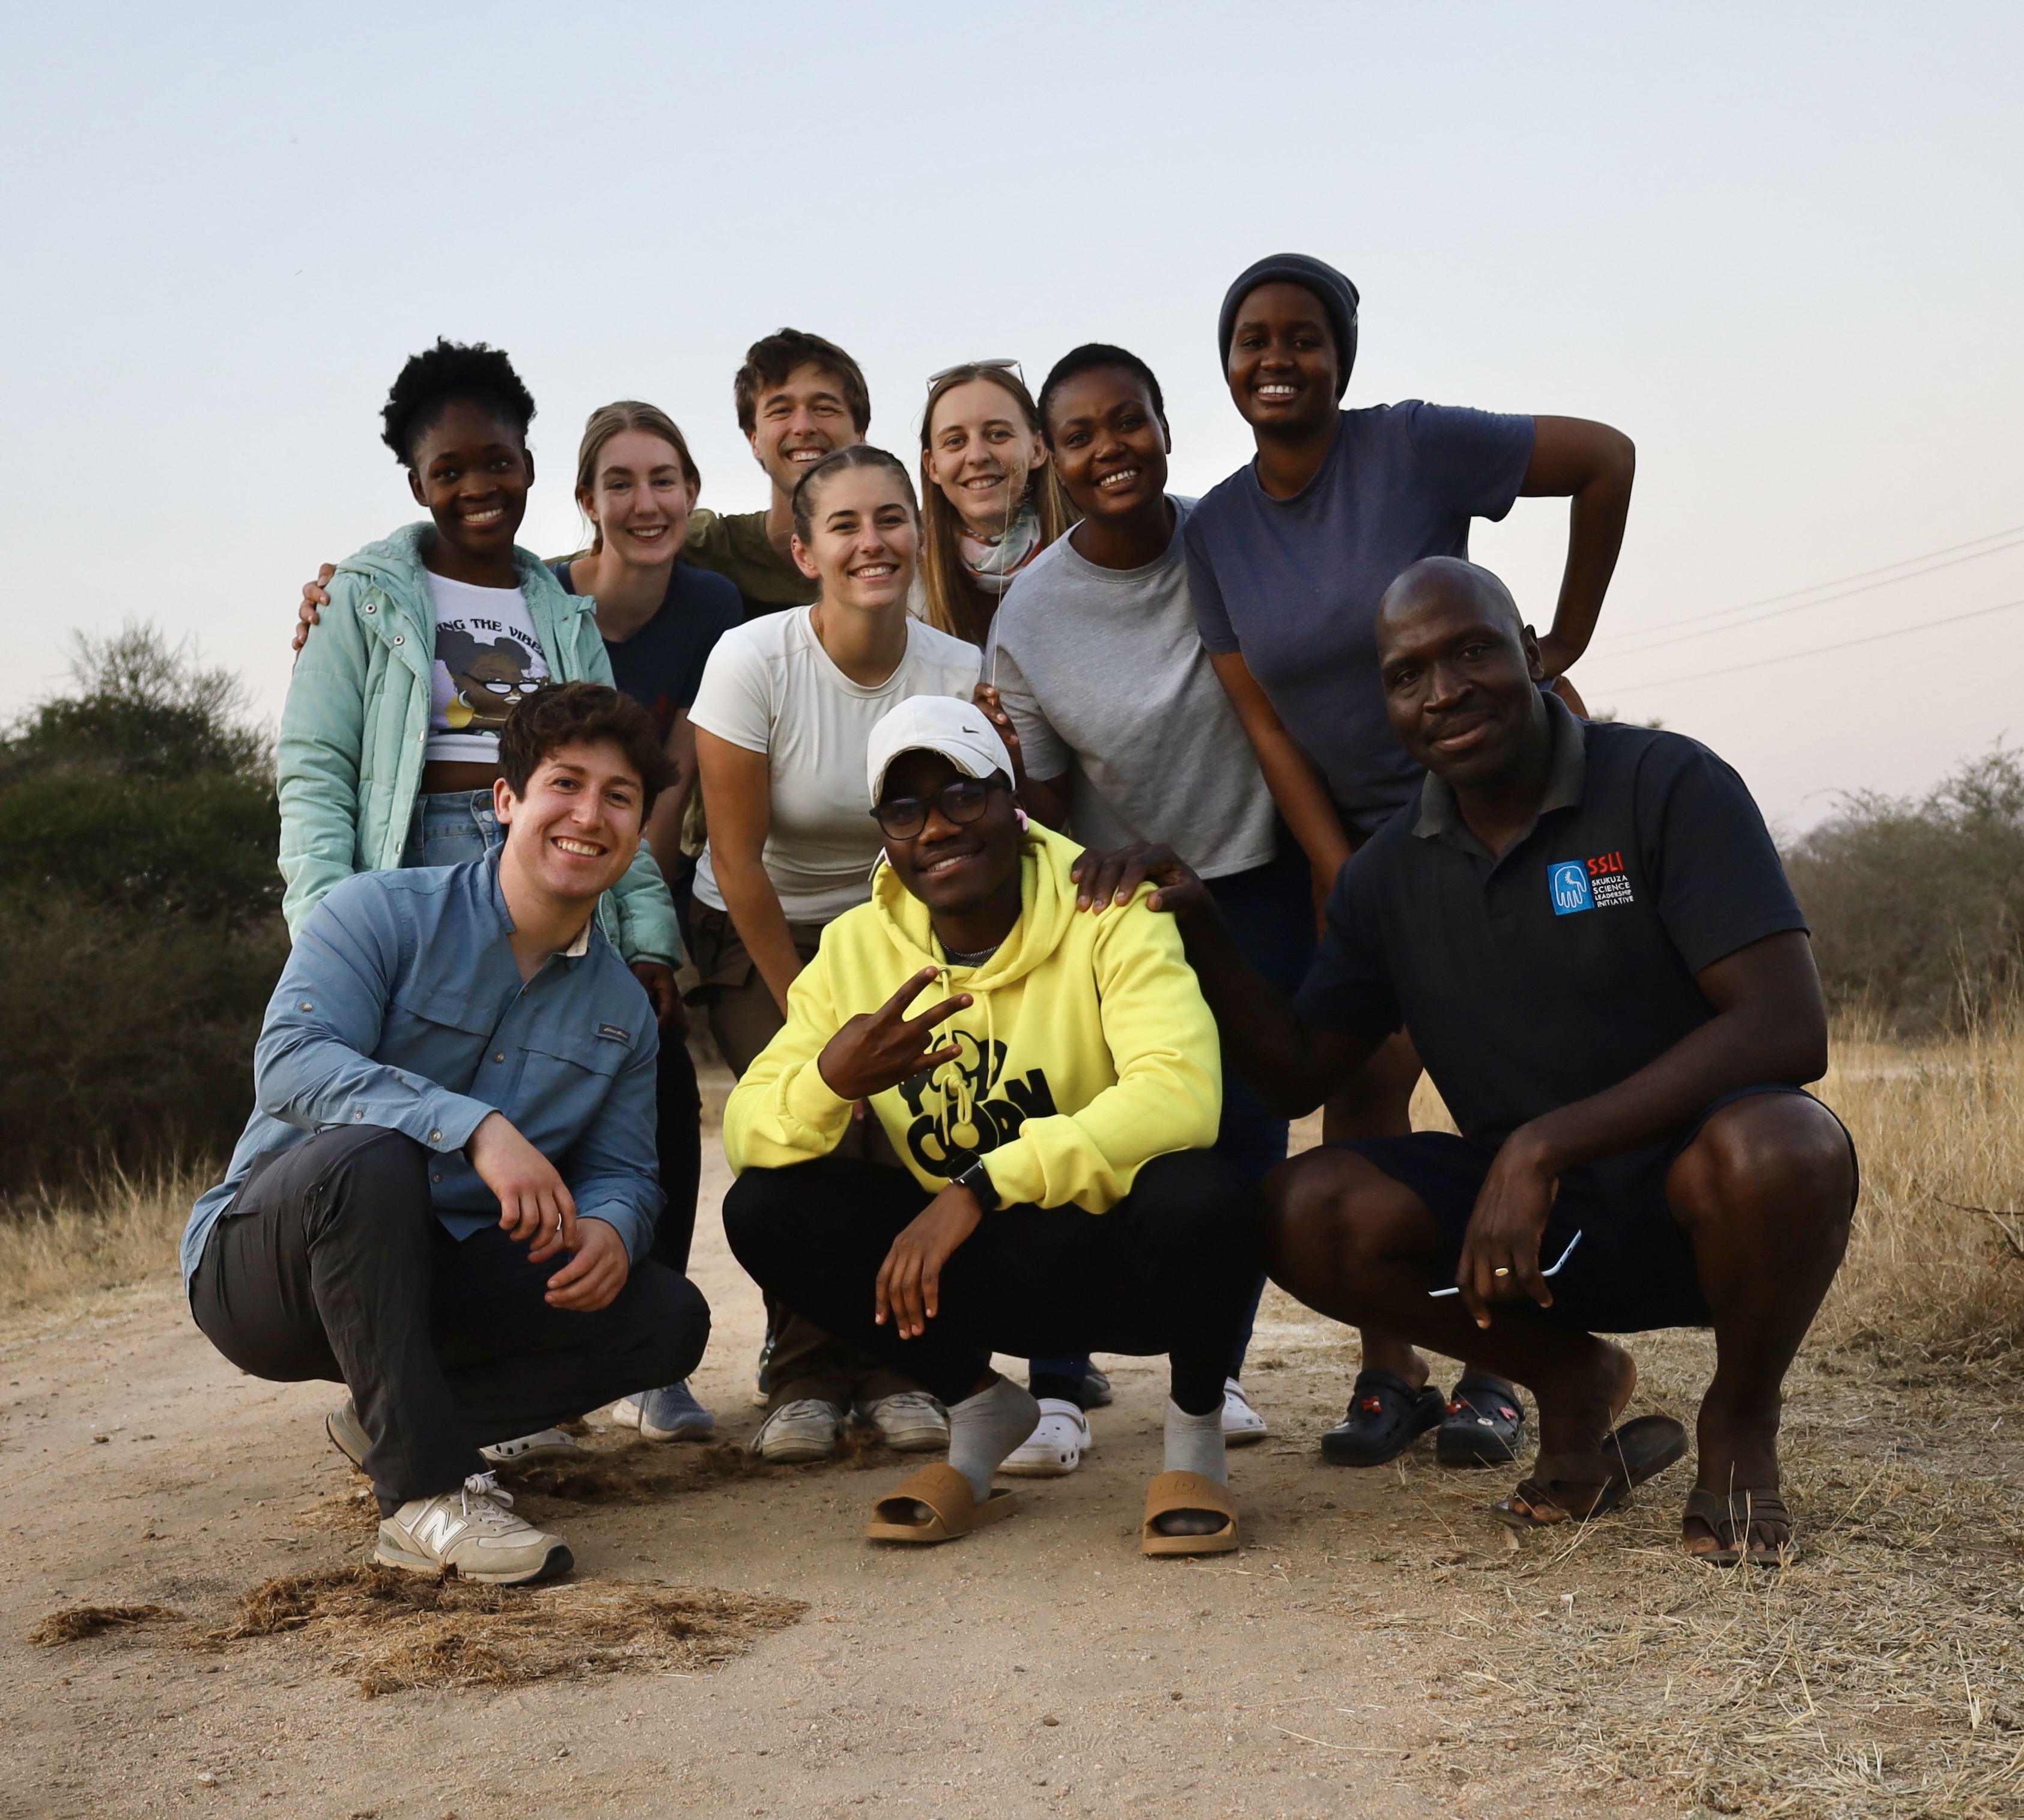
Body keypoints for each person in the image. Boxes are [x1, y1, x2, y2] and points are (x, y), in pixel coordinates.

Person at [1078, 558, 1856, 1568]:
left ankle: (1740, 1417)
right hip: (1529, 1244)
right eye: (1406, 675)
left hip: (1700, 1204)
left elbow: (1786, 1025)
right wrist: (1204, 929)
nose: (1441, 691)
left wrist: (1539, 1146)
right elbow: (1298, 1075)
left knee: (1784, 1142)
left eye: (1471, 651)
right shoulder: (1386, 875)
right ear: (1388, 703)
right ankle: (1570, 1381)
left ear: (1530, 653)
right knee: (1301, 1205)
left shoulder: (1664, 783)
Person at [1185, 252, 1637, 1467]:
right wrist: (1335, 859)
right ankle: (1390, 1368)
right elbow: (1262, 721)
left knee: (1513, 1078)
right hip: (1369, 846)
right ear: (1224, 362)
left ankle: (1508, 1364)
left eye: (1303, 337)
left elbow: (1603, 457)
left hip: (1506, 814)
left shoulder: (1414, 445)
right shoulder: (1215, 528)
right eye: (1251, 339)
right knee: (1362, 1081)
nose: (1276, 358)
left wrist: (1562, 639)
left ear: (1341, 355)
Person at [184, 683, 711, 1585]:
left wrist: (612, 1229)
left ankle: (394, 1420)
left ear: (636, 829)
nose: (590, 816)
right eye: (565, 784)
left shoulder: (623, 1009)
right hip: (272, 1271)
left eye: (619, 797)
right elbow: (292, 1063)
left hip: (435, 1281)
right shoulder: (376, 912)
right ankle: (424, 1496)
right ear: (506, 800)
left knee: (667, 1317)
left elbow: (626, 1171)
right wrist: (475, 1128)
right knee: (372, 1157)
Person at [720, 695, 1258, 1555]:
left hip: (1118, 1261)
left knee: (1202, 1188)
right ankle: (980, 1409)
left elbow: (1180, 1095)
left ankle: (1195, 1439)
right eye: (905, 810)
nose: (936, 827)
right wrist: (831, 1081)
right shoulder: (855, 949)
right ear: (885, 836)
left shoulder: (1108, 908)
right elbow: (748, 1127)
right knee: (762, 1207)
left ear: (1012, 804)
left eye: (962, 795)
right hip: (973, 1280)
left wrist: (979, 1186)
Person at [975, 342, 1293, 1472]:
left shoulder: (1236, 538)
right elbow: (1048, 802)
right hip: (1114, 898)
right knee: (1084, 1120)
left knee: (1245, 1128)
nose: (1108, 449)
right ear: (1049, 461)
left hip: (1256, 876)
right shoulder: (1030, 611)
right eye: (1077, 435)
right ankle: (1058, 1388)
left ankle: (1219, 1369)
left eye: (1128, 421)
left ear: (1164, 425)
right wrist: (1011, 764)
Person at [689, 444, 979, 1461]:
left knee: (908, 1126)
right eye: (844, 525)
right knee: (808, 1121)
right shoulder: (751, 660)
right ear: (805, 552)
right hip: (760, 927)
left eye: (890, 518)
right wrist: (812, 1016)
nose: (872, 542)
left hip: (901, 930)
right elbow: (734, 858)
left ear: (918, 533)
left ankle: (901, 1362)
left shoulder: (955, 670)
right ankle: (804, 1370)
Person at [547, 401, 745, 1444]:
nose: (644, 502)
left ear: (692, 492)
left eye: (663, 479)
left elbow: (672, 773)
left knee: (662, 1095)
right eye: (619, 482)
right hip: (545, 888)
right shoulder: (541, 599)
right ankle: (534, 1367)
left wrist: (645, 931)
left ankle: (651, 1365)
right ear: (586, 500)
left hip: (641, 884)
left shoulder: (711, 603)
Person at [684, 328, 872, 619]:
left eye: (824, 408)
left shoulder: (905, 547)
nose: (803, 427)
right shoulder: (707, 547)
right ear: (755, 440)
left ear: (860, 434)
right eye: (781, 411)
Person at [918, 362, 1074, 645]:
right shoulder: (907, 577)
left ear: (1038, 449)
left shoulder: (1093, 548)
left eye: (998, 434)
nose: (977, 456)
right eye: (955, 441)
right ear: (933, 467)